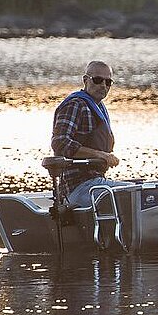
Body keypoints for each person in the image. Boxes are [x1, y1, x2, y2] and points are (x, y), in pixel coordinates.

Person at [50, 60, 130, 208]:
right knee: (135, 195)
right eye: (98, 80)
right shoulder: (75, 104)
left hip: (96, 183)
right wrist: (100, 155)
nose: (103, 85)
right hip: (79, 188)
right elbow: (60, 142)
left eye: (108, 82)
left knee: (138, 188)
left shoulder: (98, 108)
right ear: (86, 80)